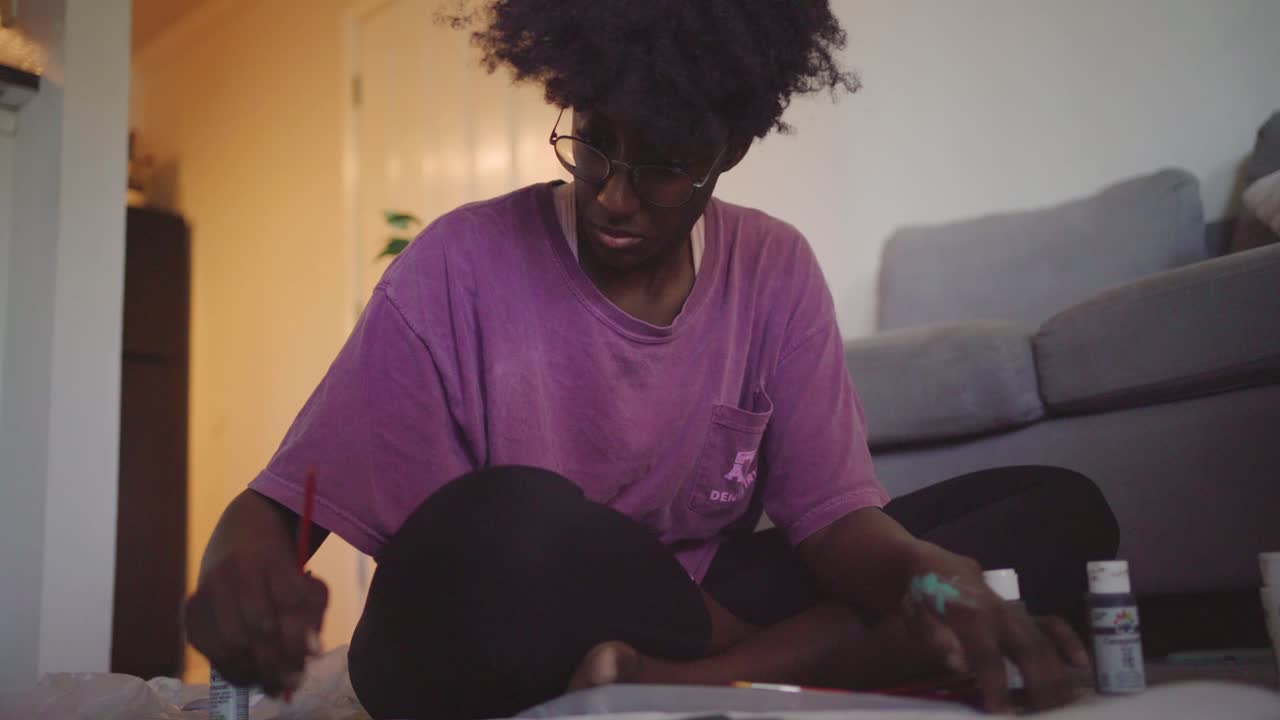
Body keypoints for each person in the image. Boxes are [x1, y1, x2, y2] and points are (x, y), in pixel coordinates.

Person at [183, 2, 1120, 718]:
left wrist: (932, 578)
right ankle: (822, 663)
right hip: (504, 616)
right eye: (594, 144)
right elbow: (271, 517)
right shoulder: (458, 265)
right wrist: (235, 574)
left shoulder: (773, 269)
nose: (614, 197)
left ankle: (684, 683)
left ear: (733, 148)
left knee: (1059, 512)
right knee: (509, 520)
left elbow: (835, 523)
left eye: (663, 164)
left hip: (680, 615)